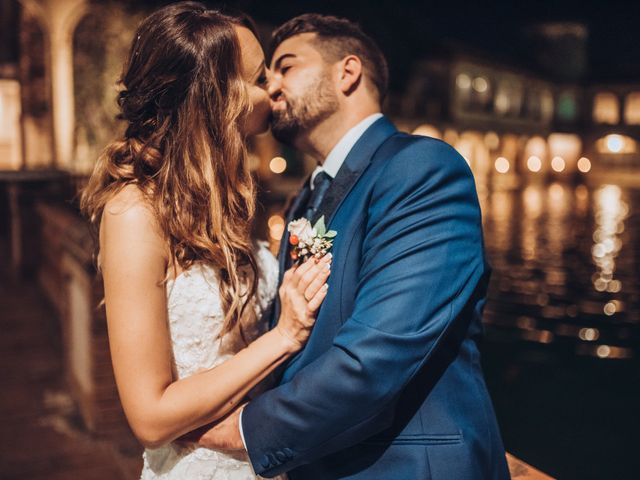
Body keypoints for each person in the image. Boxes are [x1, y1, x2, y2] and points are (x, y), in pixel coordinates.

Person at [198, 14, 511, 480]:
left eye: (286, 67)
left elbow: (377, 357)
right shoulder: (305, 196)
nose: (272, 88)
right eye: (266, 77)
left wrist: (239, 430)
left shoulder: (421, 168)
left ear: (347, 72)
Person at [80, 3, 331, 479]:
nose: (274, 86)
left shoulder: (225, 198)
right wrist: (284, 337)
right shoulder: (134, 211)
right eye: (259, 79)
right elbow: (150, 419)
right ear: (216, 95)